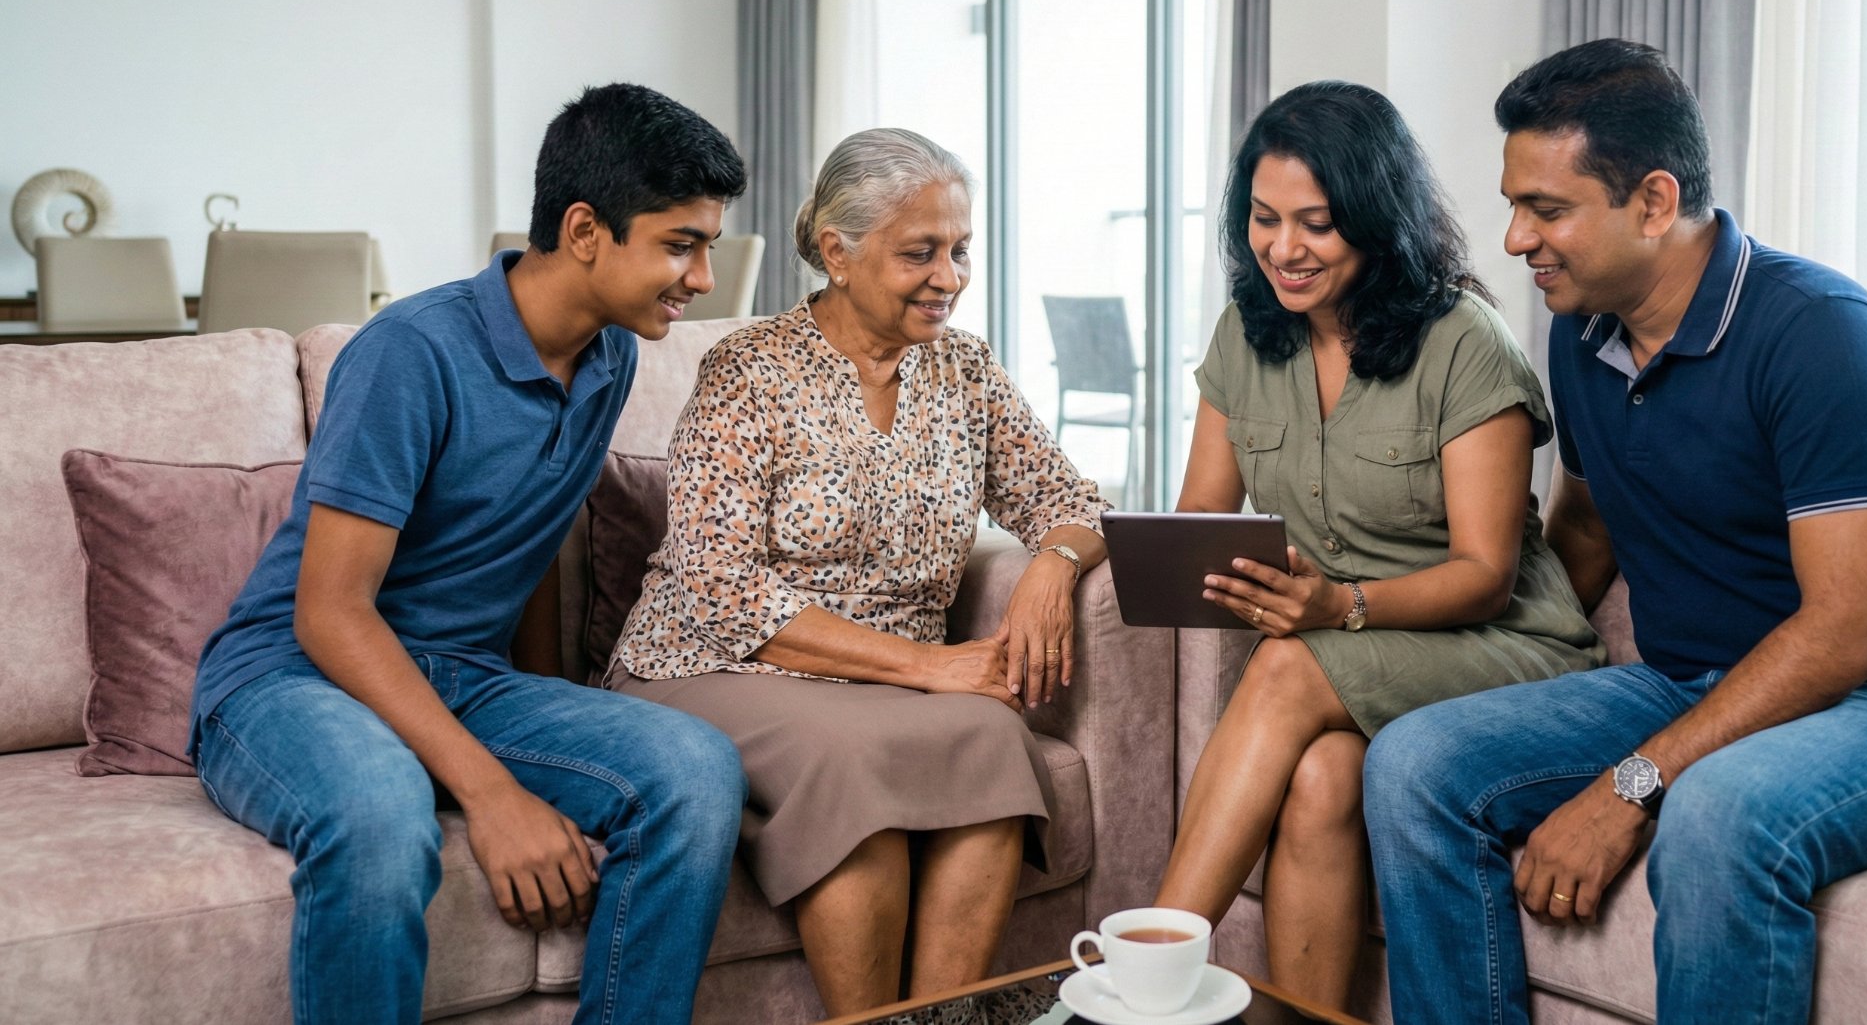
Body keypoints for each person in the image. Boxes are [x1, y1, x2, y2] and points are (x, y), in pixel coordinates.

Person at [1365, 39, 1867, 1025]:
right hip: (1686, 680)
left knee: (1713, 814)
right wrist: (1472, 657)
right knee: (1412, 763)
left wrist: (1630, 784)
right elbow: (1580, 538)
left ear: (1653, 203)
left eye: (1545, 209)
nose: (1511, 239)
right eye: (1512, 204)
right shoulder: (1580, 334)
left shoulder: (1821, 336)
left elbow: (1848, 631)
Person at [189, 83, 750, 1025]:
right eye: (680, 243)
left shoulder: (612, 355)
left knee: (695, 771)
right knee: (376, 815)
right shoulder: (410, 351)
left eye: (708, 248)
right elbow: (328, 612)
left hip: (462, 677)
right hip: (292, 676)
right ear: (584, 231)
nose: (701, 278)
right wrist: (494, 793)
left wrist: (552, 725)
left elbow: (527, 538)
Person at [609, 127, 1111, 1016]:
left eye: (960, 250)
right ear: (837, 253)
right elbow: (718, 586)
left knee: (993, 738)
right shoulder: (748, 369)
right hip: (713, 664)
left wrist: (1053, 565)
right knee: (857, 759)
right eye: (920, 253)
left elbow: (1070, 498)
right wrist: (929, 666)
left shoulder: (964, 369)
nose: (949, 278)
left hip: (885, 680)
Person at [1151, 80, 1603, 1009]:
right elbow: (1203, 518)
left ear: (1375, 216)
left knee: (1283, 671)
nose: (1284, 248)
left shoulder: (1461, 341)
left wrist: (1337, 606)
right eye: (1264, 219)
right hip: (1348, 652)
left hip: (1500, 650)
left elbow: (1486, 576)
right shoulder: (1247, 332)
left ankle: (1144, 970)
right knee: (1320, 777)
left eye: (1315, 223)